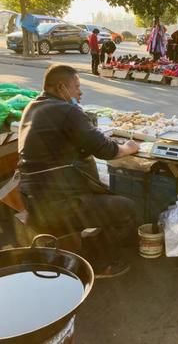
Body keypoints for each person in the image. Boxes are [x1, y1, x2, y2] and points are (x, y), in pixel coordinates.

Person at [18, 64, 140, 278]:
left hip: (32, 200)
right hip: (58, 204)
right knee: (126, 208)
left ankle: (84, 252)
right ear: (61, 87)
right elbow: (106, 149)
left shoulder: (33, 107)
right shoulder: (66, 110)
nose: (80, 92)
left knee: (104, 197)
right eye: (76, 87)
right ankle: (98, 265)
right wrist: (129, 147)